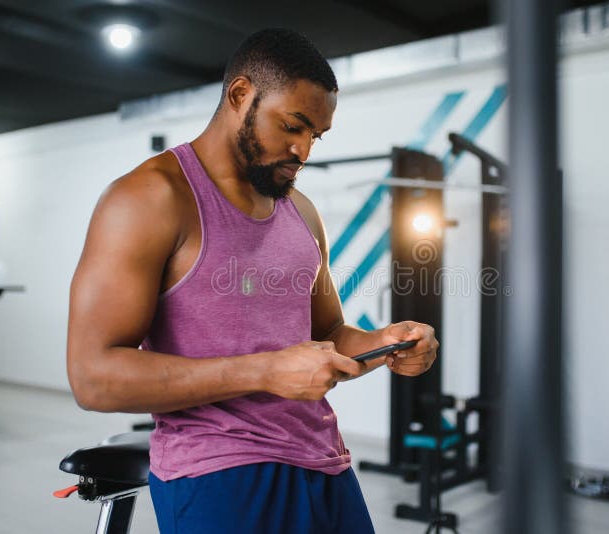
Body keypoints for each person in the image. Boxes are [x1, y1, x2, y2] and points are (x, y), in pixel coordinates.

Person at [67, 28, 439, 534]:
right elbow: (93, 377)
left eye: (315, 136)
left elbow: (329, 335)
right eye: (293, 125)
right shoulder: (149, 199)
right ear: (240, 95)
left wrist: (383, 344)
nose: (302, 150)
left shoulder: (301, 213)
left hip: (323, 463)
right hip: (219, 473)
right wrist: (265, 371)